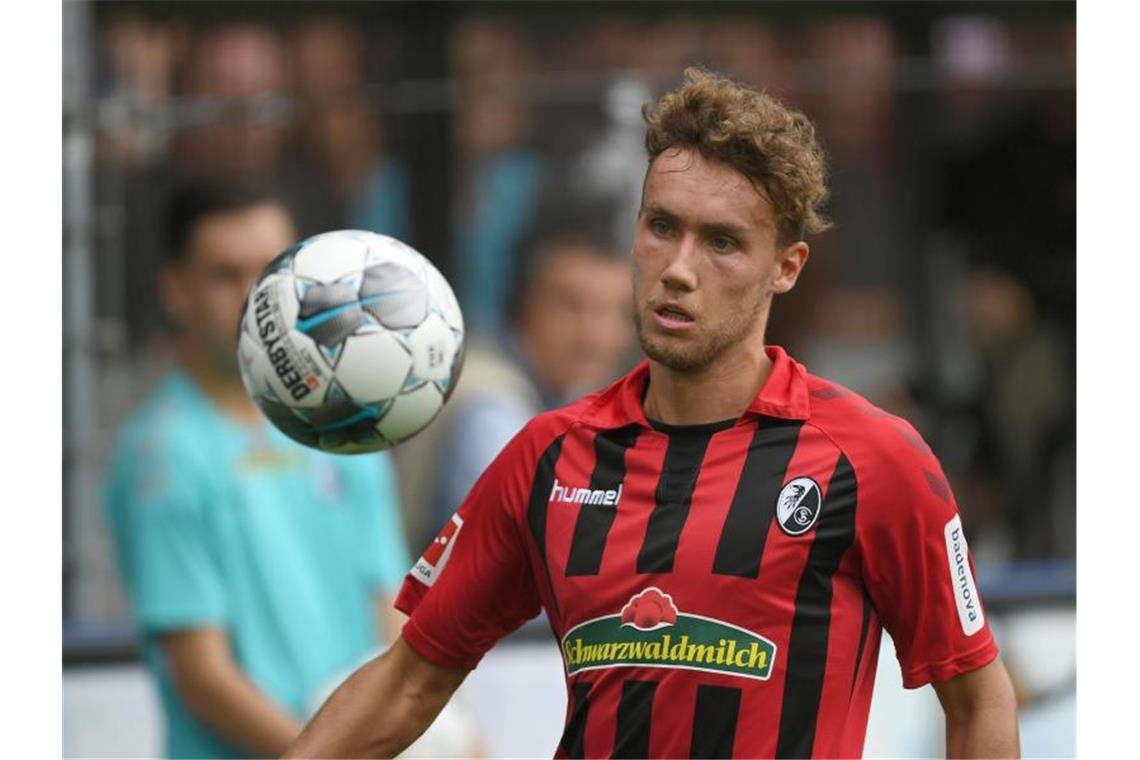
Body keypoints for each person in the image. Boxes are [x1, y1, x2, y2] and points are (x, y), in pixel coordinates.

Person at [287, 68, 1019, 759]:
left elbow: (979, 701)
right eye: (662, 226)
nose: (678, 266)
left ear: (787, 267)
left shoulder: (873, 458)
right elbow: (410, 680)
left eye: (723, 242)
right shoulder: (549, 455)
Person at [102, 181, 411, 758]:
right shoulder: (162, 456)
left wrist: (441, 736)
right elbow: (204, 678)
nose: (255, 295)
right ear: (175, 291)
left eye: (272, 269)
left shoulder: (348, 418)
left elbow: (392, 617)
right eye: (225, 274)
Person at [395, 222, 635, 551]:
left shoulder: (564, 395)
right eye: (571, 306)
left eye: (611, 312)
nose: (593, 336)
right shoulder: (490, 409)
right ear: (526, 306)